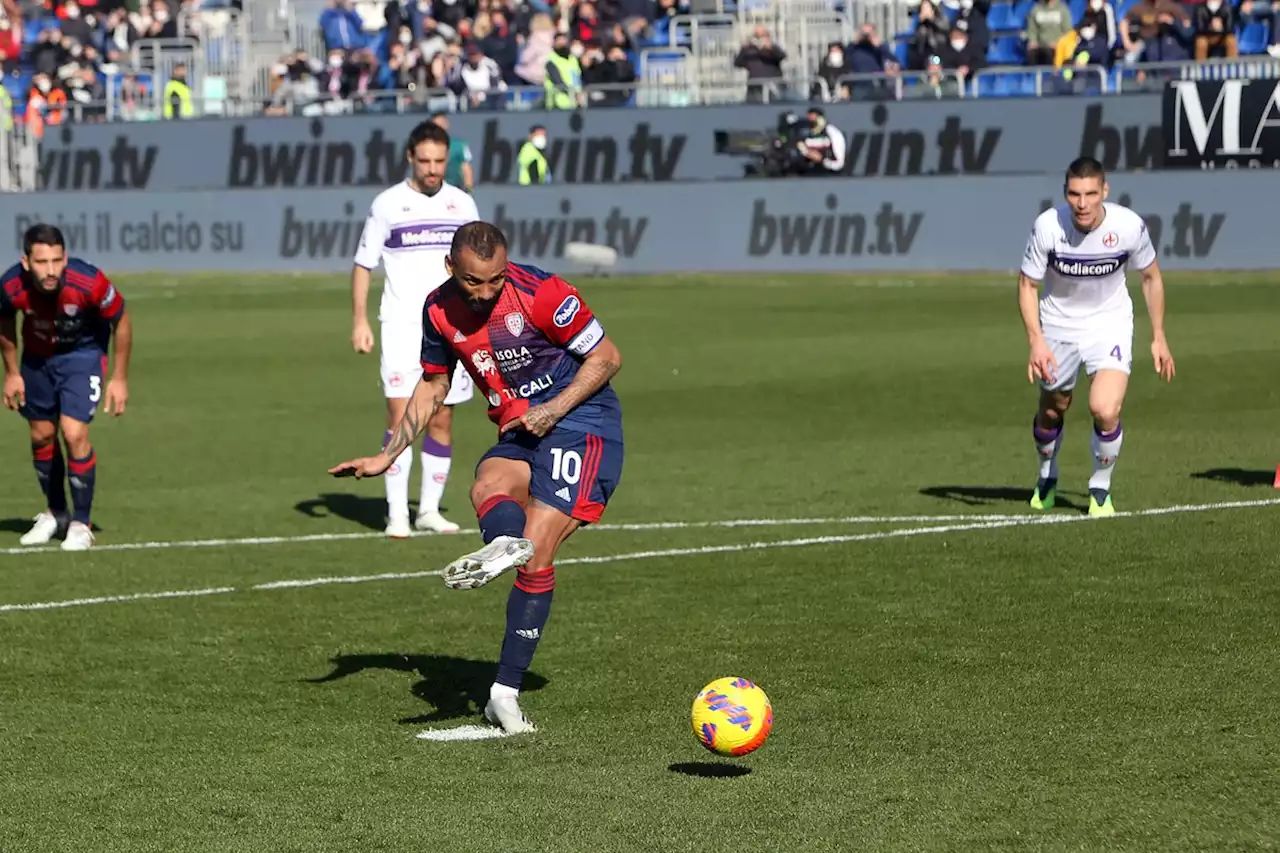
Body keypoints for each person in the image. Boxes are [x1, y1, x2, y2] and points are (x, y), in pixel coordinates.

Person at [330, 222, 624, 733]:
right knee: (487, 486)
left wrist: (552, 410)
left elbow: (607, 358)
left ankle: (504, 692)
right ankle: (504, 545)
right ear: (451, 269)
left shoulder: (543, 294)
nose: (486, 292)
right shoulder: (439, 309)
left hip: (581, 423)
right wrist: (388, 455)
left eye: (495, 280)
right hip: (522, 427)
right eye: (473, 282)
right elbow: (434, 385)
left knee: (538, 547)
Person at [1018, 156, 1175, 517]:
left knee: (1105, 409)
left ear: (1105, 190)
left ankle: (1100, 489)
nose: (1083, 203)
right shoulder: (1047, 227)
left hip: (1110, 323)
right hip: (1058, 324)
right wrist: (1036, 340)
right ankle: (1046, 476)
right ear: (1065, 194)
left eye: (1091, 193)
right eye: (1074, 194)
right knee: (1053, 408)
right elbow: (1027, 284)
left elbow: (1151, 277)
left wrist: (1159, 335)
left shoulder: (1128, 227)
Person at [350, 120, 480, 538]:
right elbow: (364, 263)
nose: (432, 169)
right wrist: (359, 321)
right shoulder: (387, 204)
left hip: (450, 329)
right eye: (424, 160)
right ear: (410, 157)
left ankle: (427, 510)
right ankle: (396, 514)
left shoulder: (462, 205)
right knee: (400, 415)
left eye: (439, 161)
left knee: (441, 420)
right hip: (402, 327)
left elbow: (477, 269)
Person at [0, 224, 132, 550]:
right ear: (26, 262)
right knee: (42, 434)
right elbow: (4, 322)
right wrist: (12, 372)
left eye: (57, 261)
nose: (51, 271)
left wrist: (119, 378)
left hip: (81, 356)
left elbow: (122, 321)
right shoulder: (11, 285)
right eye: (42, 262)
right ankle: (56, 513)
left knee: (73, 433)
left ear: (65, 258)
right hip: (37, 359)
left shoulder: (89, 282)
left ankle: (81, 524)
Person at [431, 111, 475, 193]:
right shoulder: (427, 147)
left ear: (447, 124)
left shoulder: (460, 145)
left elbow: (466, 169)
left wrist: (469, 191)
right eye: (436, 125)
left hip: (454, 189)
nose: (440, 127)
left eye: (442, 124)